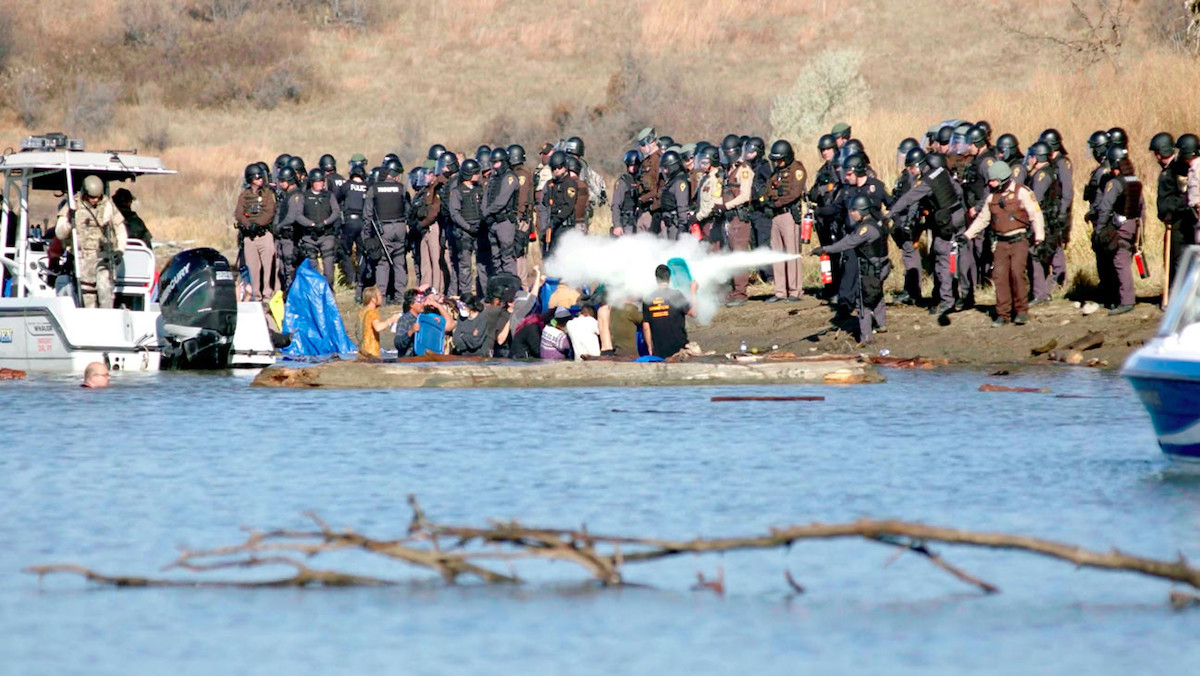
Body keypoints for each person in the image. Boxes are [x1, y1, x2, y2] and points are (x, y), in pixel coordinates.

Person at [961, 161, 1045, 326]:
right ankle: (1003, 313)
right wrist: (967, 235)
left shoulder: (1023, 192)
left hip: (1019, 239)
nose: (990, 183)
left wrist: (1039, 237)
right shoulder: (991, 198)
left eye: (992, 180)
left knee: (1017, 274)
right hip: (1000, 242)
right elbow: (983, 219)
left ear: (1003, 178)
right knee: (999, 276)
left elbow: (1035, 214)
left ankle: (1021, 311)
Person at [811, 194, 890, 344]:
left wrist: (825, 249)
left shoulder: (865, 230)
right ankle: (881, 324)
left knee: (863, 301)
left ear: (862, 210)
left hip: (871, 269)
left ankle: (866, 337)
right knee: (877, 293)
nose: (851, 213)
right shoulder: (878, 222)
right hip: (883, 266)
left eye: (853, 210)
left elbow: (847, 243)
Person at [54, 175, 126, 309]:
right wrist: (70, 223)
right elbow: (59, 233)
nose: (95, 200)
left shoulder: (108, 206)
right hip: (82, 257)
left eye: (97, 197)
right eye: (92, 197)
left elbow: (120, 230)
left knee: (104, 285)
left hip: (103, 256)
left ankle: (107, 316)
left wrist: (120, 250)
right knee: (87, 295)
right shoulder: (73, 205)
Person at [1091, 146, 1143, 315]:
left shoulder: (1115, 183)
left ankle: (1126, 301)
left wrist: (1099, 229)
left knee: (1120, 262)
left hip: (1120, 227)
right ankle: (1121, 298)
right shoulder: (1135, 181)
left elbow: (1105, 208)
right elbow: (1142, 207)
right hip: (1133, 225)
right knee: (1123, 259)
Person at [764, 139, 807, 302]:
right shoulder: (776, 172)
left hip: (789, 215)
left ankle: (795, 290)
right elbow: (769, 190)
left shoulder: (797, 170)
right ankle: (780, 291)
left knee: (791, 253)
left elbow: (794, 193)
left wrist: (775, 201)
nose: (777, 163)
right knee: (777, 253)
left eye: (780, 159)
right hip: (775, 216)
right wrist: (768, 201)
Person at [364, 159, 410, 304]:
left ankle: (381, 297)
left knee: (382, 263)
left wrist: (366, 234)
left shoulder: (374, 189)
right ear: (395, 174)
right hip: (401, 227)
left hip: (384, 230)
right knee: (399, 262)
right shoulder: (401, 188)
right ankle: (400, 296)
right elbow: (408, 210)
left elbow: (367, 214)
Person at [1149, 132, 1193, 285]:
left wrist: (1170, 208)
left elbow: (1186, 197)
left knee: (1179, 260)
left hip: (1180, 222)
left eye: (1157, 152)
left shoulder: (1179, 169)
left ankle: (1180, 295)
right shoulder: (1168, 169)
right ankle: (1173, 292)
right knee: (1170, 258)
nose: (1156, 157)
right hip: (1171, 222)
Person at [234, 163, 277, 301]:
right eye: (257, 178)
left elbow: (270, 211)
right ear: (251, 179)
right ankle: (256, 295)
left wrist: (258, 224)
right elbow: (239, 213)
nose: (260, 180)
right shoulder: (244, 196)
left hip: (264, 235)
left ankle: (267, 294)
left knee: (268, 266)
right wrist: (248, 225)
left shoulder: (268, 194)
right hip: (249, 237)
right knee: (253, 268)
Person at [720, 140, 755, 307]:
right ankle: (735, 290)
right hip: (729, 218)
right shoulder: (730, 169)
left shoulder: (744, 170)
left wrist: (726, 205)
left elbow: (745, 195)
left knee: (740, 254)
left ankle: (741, 293)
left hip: (739, 217)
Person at [296, 168, 341, 287]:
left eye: (322, 181)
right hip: (310, 236)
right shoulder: (304, 196)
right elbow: (298, 215)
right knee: (312, 266)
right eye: (318, 181)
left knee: (329, 267)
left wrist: (325, 222)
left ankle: (329, 291)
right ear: (312, 182)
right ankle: (316, 290)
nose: (321, 183)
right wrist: (311, 224)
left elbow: (336, 212)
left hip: (327, 235)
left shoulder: (329, 195)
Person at [642, 264, 697, 359]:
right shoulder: (676, 295)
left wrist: (650, 348)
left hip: (659, 350)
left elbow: (646, 326)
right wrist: (693, 291)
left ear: (656, 279)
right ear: (670, 278)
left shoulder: (648, 299)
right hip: (679, 348)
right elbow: (694, 313)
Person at [449, 159, 484, 296]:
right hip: (464, 233)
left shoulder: (479, 190)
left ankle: (483, 293)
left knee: (482, 263)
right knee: (465, 266)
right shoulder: (457, 192)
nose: (478, 175)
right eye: (476, 172)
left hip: (479, 231)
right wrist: (468, 226)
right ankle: (466, 294)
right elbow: (455, 213)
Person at [337, 164, 370, 302]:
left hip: (349, 222)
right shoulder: (367, 186)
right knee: (362, 253)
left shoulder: (346, 185)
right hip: (363, 223)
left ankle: (351, 278)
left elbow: (337, 198)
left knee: (345, 251)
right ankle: (361, 279)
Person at [272, 166, 304, 295]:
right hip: (284, 237)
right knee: (285, 266)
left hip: (291, 237)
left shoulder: (296, 196)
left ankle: (292, 293)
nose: (280, 184)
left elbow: (292, 216)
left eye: (282, 181)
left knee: (290, 266)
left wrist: (279, 226)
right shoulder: (287, 195)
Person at [358, 286, 400, 359]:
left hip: (362, 352)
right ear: (373, 299)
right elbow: (378, 327)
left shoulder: (362, 312)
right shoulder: (373, 312)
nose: (382, 298)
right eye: (380, 296)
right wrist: (391, 320)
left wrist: (384, 325)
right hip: (371, 353)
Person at [611, 150, 641, 237]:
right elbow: (616, 205)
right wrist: (617, 225)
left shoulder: (641, 180)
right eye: (631, 165)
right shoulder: (623, 182)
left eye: (636, 165)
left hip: (638, 220)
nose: (634, 167)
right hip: (626, 222)